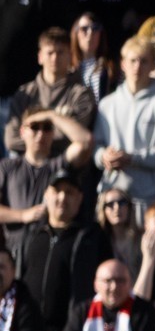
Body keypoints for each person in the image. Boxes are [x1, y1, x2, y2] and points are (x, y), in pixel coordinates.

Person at [93, 39, 155, 209]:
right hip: (113, 200)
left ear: (153, 66)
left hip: (150, 201)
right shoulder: (107, 104)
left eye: (144, 61)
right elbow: (95, 146)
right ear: (123, 64)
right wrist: (103, 156)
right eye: (133, 60)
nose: (137, 67)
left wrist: (132, 158)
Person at [1, 104, 94, 256]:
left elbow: (85, 141)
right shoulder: (7, 167)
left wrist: (52, 116)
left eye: (47, 128)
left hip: (48, 252)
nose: (41, 134)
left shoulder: (58, 165)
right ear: (22, 132)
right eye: (34, 127)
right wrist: (23, 215)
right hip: (13, 253)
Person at [17, 174, 111, 319]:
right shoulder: (31, 236)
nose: (62, 197)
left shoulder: (93, 237)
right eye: (57, 191)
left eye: (69, 192)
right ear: (46, 195)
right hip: (29, 327)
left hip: (74, 328)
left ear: (79, 198)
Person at [7, 28, 97, 156]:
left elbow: (79, 136)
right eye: (50, 53)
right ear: (40, 57)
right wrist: (59, 129)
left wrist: (33, 134)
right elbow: (11, 139)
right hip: (27, 163)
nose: (55, 58)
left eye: (60, 52)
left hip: (64, 163)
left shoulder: (81, 94)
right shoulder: (24, 94)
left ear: (70, 56)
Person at [54, 258, 155, 331]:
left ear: (130, 283)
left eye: (120, 280)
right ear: (96, 284)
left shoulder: (144, 310)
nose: (114, 287)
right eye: (108, 281)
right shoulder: (83, 310)